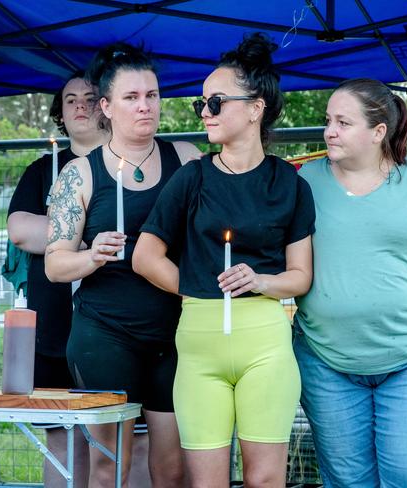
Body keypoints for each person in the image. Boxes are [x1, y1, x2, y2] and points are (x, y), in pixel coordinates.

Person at [133, 33, 315, 488]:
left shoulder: (290, 184)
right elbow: (144, 256)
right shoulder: (191, 178)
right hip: (198, 344)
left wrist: (258, 280)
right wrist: (196, 286)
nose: (205, 113)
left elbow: (301, 277)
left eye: (215, 102)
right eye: (201, 104)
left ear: (255, 107)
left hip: (265, 345)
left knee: (264, 481)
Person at [293, 78, 407, 488]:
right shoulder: (305, 180)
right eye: (328, 120)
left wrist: (399, 289)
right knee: (347, 480)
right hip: (326, 360)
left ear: (378, 132)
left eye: (343, 122)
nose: (329, 131)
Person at [44, 42, 201, 488]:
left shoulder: (186, 158)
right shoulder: (80, 173)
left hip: (174, 331)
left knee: (171, 469)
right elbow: (55, 266)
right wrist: (92, 256)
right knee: (109, 465)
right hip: (104, 333)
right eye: (132, 98)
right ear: (107, 107)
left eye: (152, 95)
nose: (145, 106)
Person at [7, 71, 108, 488]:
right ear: (60, 115)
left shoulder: (125, 165)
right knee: (62, 436)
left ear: (105, 106)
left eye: (89, 97)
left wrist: (62, 228)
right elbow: (20, 230)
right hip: (53, 324)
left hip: (114, 323)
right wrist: (84, 226)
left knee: (118, 438)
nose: (80, 105)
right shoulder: (41, 170)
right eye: (70, 100)